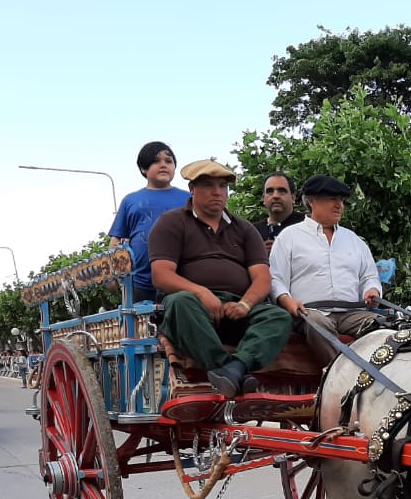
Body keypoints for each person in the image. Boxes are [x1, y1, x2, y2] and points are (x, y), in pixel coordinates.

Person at [148, 158, 292, 397]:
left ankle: (236, 367)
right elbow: (161, 275)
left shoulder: (244, 228)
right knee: (179, 302)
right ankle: (226, 366)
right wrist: (201, 292)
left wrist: (245, 304)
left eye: (223, 186)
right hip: (193, 310)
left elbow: (262, 278)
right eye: (208, 185)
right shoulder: (172, 222)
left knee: (278, 316)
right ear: (192, 189)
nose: (217, 192)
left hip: (235, 309)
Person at [270, 174, 383, 367]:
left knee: (387, 326)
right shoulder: (289, 237)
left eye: (341, 200)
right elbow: (276, 278)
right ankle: (344, 375)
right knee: (316, 322)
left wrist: (372, 290)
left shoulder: (354, 240)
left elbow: (369, 276)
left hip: (352, 313)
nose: (339, 205)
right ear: (311, 201)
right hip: (311, 312)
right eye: (332, 199)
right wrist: (287, 300)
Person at [109, 141, 192, 303]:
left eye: (168, 161)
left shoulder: (189, 199)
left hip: (181, 280)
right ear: (143, 168)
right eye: (156, 161)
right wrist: (113, 275)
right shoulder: (130, 201)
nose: (163, 165)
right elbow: (116, 240)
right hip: (138, 283)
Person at [249, 172, 304, 254]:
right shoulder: (253, 232)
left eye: (282, 191)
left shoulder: (308, 225)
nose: (275, 196)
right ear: (263, 198)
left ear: (293, 198)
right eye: (270, 191)